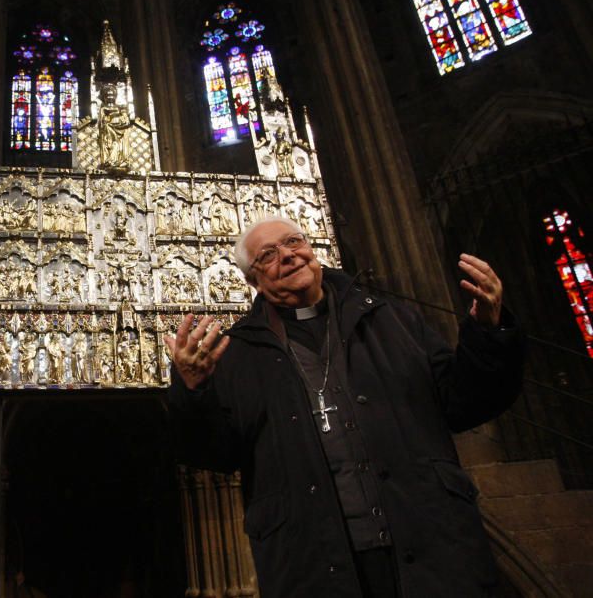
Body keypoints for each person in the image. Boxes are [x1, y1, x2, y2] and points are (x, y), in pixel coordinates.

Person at [165, 216, 524, 597]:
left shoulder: (391, 319)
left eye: (293, 242)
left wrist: (488, 330)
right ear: (252, 281)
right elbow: (212, 454)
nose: (287, 256)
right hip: (314, 562)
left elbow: (464, 403)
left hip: (430, 540)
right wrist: (192, 390)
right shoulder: (237, 354)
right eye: (268, 255)